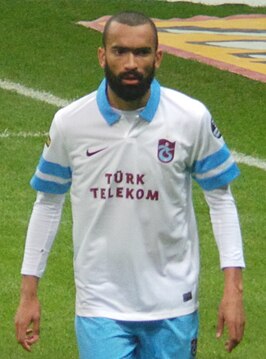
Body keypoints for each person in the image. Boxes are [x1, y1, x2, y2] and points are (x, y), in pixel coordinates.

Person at [15, 11, 245, 359]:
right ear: (101, 56)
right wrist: (28, 292)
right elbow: (47, 202)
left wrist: (233, 290)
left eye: (142, 52)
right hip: (100, 304)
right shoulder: (70, 124)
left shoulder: (190, 117)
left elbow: (221, 200)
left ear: (159, 57)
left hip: (174, 304)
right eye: (120, 51)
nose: (131, 63)